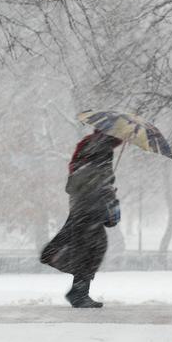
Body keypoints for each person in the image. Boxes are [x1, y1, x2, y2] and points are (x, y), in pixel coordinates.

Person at [41, 131, 123, 308]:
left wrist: (105, 185)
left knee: (87, 249)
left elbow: (80, 176)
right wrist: (107, 189)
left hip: (82, 205)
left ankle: (78, 291)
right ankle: (78, 292)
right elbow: (98, 178)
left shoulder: (90, 145)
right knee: (92, 250)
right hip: (90, 206)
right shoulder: (103, 148)